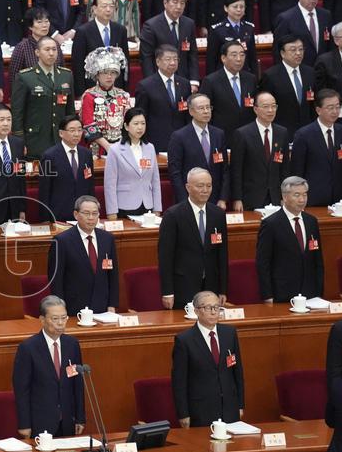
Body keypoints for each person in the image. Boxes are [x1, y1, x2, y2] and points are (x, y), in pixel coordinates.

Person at [13, 295, 85, 438]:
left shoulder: (72, 345)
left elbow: (77, 384)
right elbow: (22, 390)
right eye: (55, 319)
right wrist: (24, 424)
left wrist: (80, 418)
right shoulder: (28, 348)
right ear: (42, 320)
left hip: (67, 421)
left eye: (64, 318)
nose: (60, 323)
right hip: (40, 422)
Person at [171, 290, 244, 427]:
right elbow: (179, 382)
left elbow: (237, 372)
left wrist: (240, 405)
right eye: (208, 308)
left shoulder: (229, 333)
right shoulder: (184, 340)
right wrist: (183, 414)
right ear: (197, 311)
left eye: (216, 307)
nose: (213, 312)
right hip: (201, 411)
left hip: (230, 409)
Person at [157, 168, 229, 309]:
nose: (205, 190)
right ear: (188, 187)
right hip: (183, 286)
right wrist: (167, 292)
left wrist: (223, 289)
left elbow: (222, 254)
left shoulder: (218, 214)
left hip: (210, 286)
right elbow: (165, 257)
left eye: (209, 186)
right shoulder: (173, 215)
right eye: (200, 186)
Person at [255, 177, 324, 303]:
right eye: (297, 195)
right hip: (282, 293)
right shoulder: (270, 224)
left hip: (310, 293)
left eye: (305, 194)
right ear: (285, 197)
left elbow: (317, 260)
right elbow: (263, 263)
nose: (302, 199)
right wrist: (267, 295)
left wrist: (318, 291)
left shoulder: (311, 222)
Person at [48, 196, 118, 315]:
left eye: (94, 213)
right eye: (86, 213)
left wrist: (112, 304)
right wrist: (59, 308)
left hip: (102, 307)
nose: (91, 218)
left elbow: (112, 275)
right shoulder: (62, 241)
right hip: (73, 308)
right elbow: (56, 279)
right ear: (76, 214)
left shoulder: (107, 239)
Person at [11, 36, 74, 159]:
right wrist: (19, 140)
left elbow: (70, 111)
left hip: (60, 139)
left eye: (54, 49)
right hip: (36, 139)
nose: (51, 53)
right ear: (37, 52)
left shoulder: (66, 75)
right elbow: (17, 113)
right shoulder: (25, 77)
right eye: (47, 49)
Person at [289, 89, 342, 207]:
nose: (335, 111)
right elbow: (297, 171)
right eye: (330, 107)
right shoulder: (303, 135)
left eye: (337, 107)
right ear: (318, 110)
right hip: (313, 198)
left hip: (339, 199)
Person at [229, 92, 290, 211]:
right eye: (266, 106)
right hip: (251, 197)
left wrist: (285, 195)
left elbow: (285, 168)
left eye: (274, 106)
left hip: (276, 197)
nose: (271, 110)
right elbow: (236, 170)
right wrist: (237, 198)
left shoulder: (282, 133)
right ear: (256, 109)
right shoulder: (242, 134)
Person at [104, 108, 163, 219]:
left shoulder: (150, 148)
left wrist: (157, 208)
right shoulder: (115, 150)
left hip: (147, 205)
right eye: (136, 123)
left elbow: (155, 180)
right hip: (124, 205)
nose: (140, 127)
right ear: (126, 126)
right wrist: (111, 211)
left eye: (143, 123)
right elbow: (109, 184)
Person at [70, 0, 130, 95]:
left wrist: (124, 89)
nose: (108, 9)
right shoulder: (83, 31)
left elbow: (125, 63)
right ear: (94, 9)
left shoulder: (120, 30)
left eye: (111, 6)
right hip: (91, 89)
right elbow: (78, 66)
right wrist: (81, 94)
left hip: (116, 89)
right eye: (104, 6)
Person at [258, 34, 317, 139]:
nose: (298, 53)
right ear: (282, 53)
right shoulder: (271, 76)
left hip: (308, 131)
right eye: (293, 50)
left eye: (301, 49)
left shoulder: (310, 73)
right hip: (282, 132)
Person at [134, 44, 190, 151]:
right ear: (158, 62)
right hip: (156, 141)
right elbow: (140, 116)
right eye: (168, 59)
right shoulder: (145, 86)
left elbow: (187, 115)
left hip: (182, 140)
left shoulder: (185, 84)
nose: (173, 63)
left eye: (175, 59)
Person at [138, 0, 199, 86]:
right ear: (165, 3)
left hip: (184, 80)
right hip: (160, 80)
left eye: (182, 3)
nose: (179, 7)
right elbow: (146, 58)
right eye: (175, 2)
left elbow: (192, 54)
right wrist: (151, 83)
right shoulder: (151, 26)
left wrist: (194, 81)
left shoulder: (189, 24)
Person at [37, 116, 93, 223]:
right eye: (72, 130)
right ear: (61, 133)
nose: (76, 134)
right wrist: (45, 219)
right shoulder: (49, 156)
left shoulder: (86, 154)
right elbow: (44, 191)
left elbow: (90, 185)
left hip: (83, 214)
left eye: (79, 130)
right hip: (58, 215)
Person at [79, 46, 131, 157]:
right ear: (97, 74)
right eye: (105, 72)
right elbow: (88, 125)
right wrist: (107, 146)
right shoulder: (89, 96)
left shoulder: (123, 95)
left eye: (113, 72)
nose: (109, 76)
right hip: (98, 149)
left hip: (122, 146)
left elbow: (129, 121)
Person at [199, 40, 258, 135]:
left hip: (248, 134)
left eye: (242, 55)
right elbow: (204, 110)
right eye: (234, 55)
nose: (239, 59)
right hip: (223, 134)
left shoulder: (251, 79)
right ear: (223, 58)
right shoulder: (211, 81)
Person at [272, 0, 334, 68]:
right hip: (299, 69)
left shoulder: (325, 15)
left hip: (323, 69)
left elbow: (330, 44)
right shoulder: (286, 18)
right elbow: (278, 50)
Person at [206, 0, 258, 75]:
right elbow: (211, 61)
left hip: (245, 75)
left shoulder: (249, 28)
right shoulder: (217, 30)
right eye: (235, 7)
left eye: (242, 7)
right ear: (226, 8)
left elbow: (252, 58)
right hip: (223, 76)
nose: (239, 10)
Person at [7, 7, 51, 88]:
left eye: (47, 21)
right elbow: (14, 78)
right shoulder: (22, 47)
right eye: (39, 22)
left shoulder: (55, 45)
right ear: (30, 26)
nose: (44, 25)